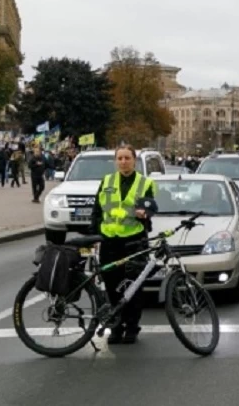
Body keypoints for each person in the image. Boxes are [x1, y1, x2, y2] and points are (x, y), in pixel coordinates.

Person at [89, 145, 157, 345]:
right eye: (120, 158)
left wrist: (145, 214)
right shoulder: (107, 181)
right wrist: (94, 235)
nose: (123, 161)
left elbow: (150, 208)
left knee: (133, 286)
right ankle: (116, 327)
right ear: (115, 161)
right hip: (110, 241)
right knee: (111, 287)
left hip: (134, 241)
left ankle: (132, 328)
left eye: (127, 158)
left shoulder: (145, 183)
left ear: (134, 160)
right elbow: (97, 210)